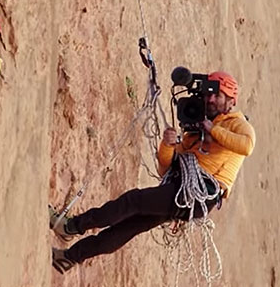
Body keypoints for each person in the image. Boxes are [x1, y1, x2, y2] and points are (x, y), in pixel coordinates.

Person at [51, 71, 255, 273]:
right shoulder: (196, 130)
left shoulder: (238, 125)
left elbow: (247, 146)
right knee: (129, 227)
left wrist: (213, 130)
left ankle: (70, 226)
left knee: (132, 201)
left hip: (198, 193)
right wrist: (168, 145)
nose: (210, 99)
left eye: (217, 95)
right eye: (207, 94)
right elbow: (165, 167)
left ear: (231, 101)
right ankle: (68, 258)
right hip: (181, 188)